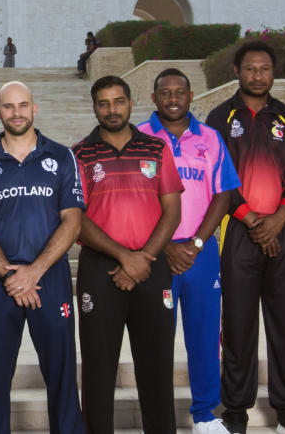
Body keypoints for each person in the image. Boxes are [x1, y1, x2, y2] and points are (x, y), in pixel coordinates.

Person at [0, 81, 87, 434]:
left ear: (34, 109)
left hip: (51, 279)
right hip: (0, 281)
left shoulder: (62, 156)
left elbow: (73, 221)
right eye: (8, 106)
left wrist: (34, 272)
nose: (16, 112)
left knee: (63, 373)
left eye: (22, 105)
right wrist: (10, 275)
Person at [204, 41, 285, 434]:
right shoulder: (219, 117)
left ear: (272, 72)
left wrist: (278, 219)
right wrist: (252, 220)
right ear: (237, 70)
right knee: (238, 325)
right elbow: (219, 179)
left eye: (265, 68)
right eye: (250, 68)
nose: (258, 75)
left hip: (283, 234)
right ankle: (235, 409)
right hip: (238, 234)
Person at [74, 76, 181, 434]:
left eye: (118, 101)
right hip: (101, 269)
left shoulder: (156, 148)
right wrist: (124, 257)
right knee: (98, 366)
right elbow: (76, 219)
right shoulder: (80, 153)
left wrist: (142, 258)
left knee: (156, 364)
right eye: (103, 103)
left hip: (151, 266)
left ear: (131, 103)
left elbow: (172, 211)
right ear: (94, 108)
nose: (112, 109)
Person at [137, 69, 238, 434]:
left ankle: (206, 415)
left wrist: (194, 243)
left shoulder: (210, 138)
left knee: (205, 335)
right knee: (155, 339)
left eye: (180, 92)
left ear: (192, 95)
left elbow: (223, 194)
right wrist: (165, 247)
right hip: (156, 253)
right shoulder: (140, 138)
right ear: (154, 97)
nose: (173, 98)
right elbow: (136, 201)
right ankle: (159, 417)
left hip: (201, 253)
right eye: (166, 92)